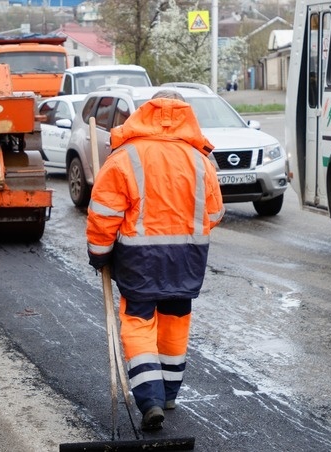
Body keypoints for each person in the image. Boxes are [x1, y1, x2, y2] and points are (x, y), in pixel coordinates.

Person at [86, 90, 225, 431]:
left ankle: (150, 400)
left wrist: (99, 254)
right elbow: (214, 214)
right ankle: (170, 394)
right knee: (175, 322)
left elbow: (104, 214)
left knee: (139, 323)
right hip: (187, 259)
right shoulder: (201, 160)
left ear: (145, 112)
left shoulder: (124, 157)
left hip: (139, 260)